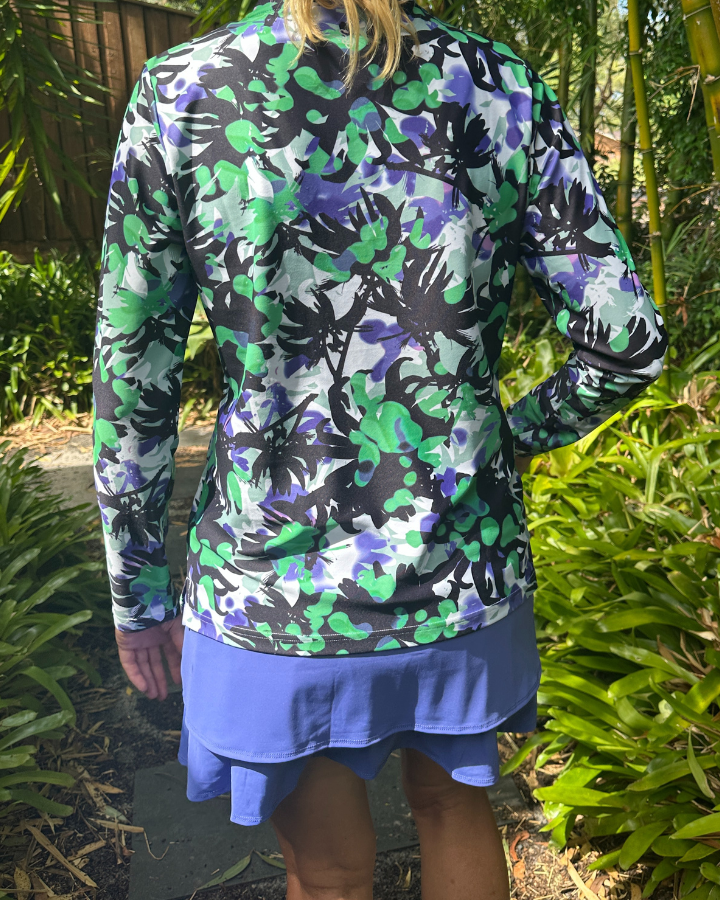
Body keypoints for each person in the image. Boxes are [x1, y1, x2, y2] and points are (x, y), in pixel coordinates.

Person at [92, 0, 668, 895]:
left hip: (273, 592)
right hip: (460, 571)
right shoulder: (495, 84)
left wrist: (137, 589)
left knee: (327, 874)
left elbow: (134, 375)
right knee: (453, 811)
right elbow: (626, 341)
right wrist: (504, 441)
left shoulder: (185, 91)